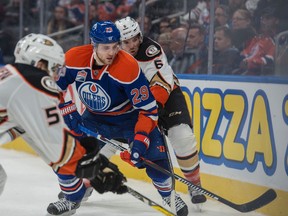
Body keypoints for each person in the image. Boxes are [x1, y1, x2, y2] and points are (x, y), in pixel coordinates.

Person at [55, 21, 188, 216]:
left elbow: (148, 110)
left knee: (155, 157)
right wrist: (66, 109)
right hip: (94, 119)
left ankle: (168, 194)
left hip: (129, 120)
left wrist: (141, 139)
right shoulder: (74, 58)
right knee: (67, 152)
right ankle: (72, 199)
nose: (111, 52)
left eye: (116, 46)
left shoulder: (128, 66)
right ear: (94, 44)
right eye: (106, 47)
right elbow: (51, 87)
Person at [0, 33, 127, 215]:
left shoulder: (10, 76)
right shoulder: (33, 83)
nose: (57, 73)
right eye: (55, 67)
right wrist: (96, 169)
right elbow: (56, 145)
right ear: (40, 64)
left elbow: (27, 132)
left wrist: (82, 167)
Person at [115, 16, 207, 206]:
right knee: (108, 141)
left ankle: (194, 184)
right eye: (126, 41)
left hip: (166, 97)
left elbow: (161, 83)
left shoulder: (150, 50)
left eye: (135, 38)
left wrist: (151, 111)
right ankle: (84, 186)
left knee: (182, 137)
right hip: (135, 102)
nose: (132, 45)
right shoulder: (110, 55)